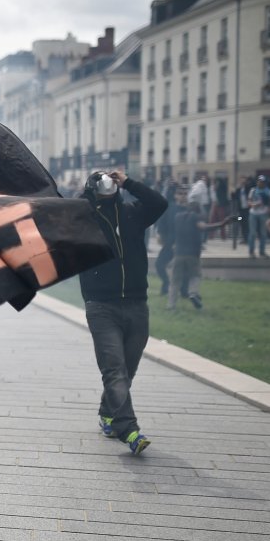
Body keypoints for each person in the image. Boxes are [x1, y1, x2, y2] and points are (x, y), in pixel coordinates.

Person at [78, 170, 167, 455]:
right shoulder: (86, 219)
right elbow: (65, 216)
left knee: (127, 370)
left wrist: (128, 182)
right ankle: (128, 430)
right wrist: (88, 193)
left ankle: (108, 412)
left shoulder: (132, 214)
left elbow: (159, 203)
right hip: (101, 306)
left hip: (137, 304)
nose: (108, 188)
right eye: (102, 185)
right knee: (114, 368)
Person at [167, 194, 232, 311]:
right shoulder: (195, 217)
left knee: (175, 280)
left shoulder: (177, 217)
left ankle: (171, 305)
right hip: (192, 254)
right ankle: (193, 293)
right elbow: (204, 227)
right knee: (195, 276)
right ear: (197, 210)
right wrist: (222, 224)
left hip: (178, 253)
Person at [247, 175, 269, 259]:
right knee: (252, 233)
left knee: (263, 233)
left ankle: (262, 252)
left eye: (262, 181)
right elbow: (248, 202)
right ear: (257, 182)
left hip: (263, 214)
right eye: (259, 181)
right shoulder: (253, 190)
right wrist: (254, 204)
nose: (260, 183)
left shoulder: (267, 191)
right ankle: (251, 251)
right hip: (253, 213)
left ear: (264, 183)